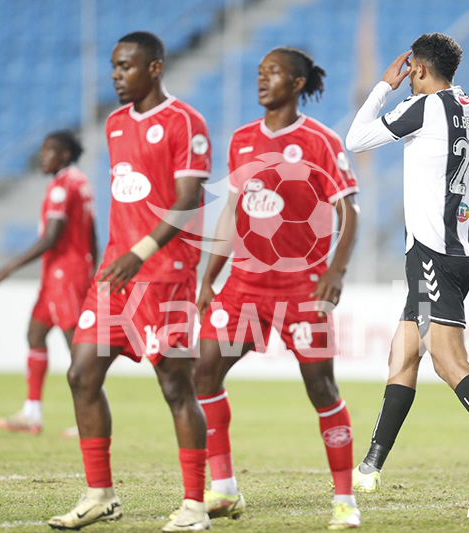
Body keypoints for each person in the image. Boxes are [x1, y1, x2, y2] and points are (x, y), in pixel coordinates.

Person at [345, 32, 469, 497]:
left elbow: (356, 139)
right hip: (461, 250)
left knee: (447, 360)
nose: (408, 78)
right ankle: (370, 467)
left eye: (410, 71)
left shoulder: (426, 106)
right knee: (403, 353)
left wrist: (382, 88)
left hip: (433, 252)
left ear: (418, 68)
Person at [48, 32, 211, 532]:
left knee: (175, 387)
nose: (116, 75)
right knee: (81, 374)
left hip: (164, 275)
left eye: (126, 67)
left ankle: (194, 506)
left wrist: (141, 253)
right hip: (117, 274)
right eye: (114, 67)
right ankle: (100, 494)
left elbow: (187, 200)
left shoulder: (185, 122)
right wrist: (120, 256)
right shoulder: (115, 124)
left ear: (155, 68)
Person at [194, 47, 361, 530]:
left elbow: (350, 210)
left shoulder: (319, 141)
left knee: (321, 388)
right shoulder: (242, 139)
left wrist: (336, 271)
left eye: (273, 73)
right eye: (260, 72)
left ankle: (345, 499)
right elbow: (231, 213)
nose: (263, 79)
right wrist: (210, 275)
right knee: (203, 374)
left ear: (296, 83)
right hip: (244, 285)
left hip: (301, 288)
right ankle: (224, 489)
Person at [0, 131, 96, 436]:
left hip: (66, 273)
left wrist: (5, 269)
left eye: (49, 150)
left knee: (77, 345)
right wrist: (95, 265)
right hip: (61, 273)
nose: (42, 155)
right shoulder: (80, 182)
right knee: (36, 333)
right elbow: (92, 230)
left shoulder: (64, 186)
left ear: (64, 155)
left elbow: (50, 237)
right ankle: (32, 412)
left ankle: (90, 415)